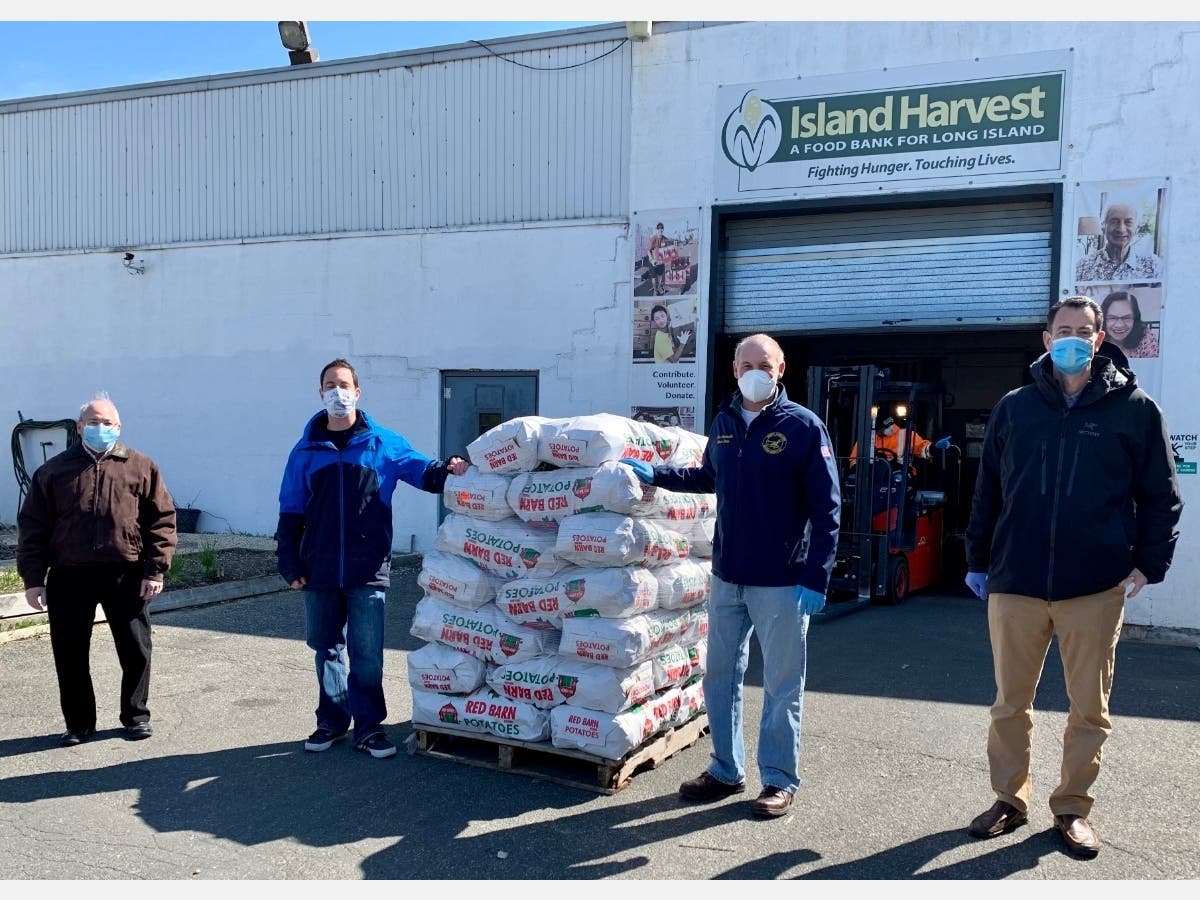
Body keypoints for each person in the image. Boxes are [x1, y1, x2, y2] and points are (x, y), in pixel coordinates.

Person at [963, 296, 1182, 858]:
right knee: (1010, 703)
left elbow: (1162, 496)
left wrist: (1148, 562)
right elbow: (987, 491)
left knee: (1089, 707)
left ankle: (1072, 808)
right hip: (1017, 581)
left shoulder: (1134, 409)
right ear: (1045, 338)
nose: (1074, 339)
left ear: (1101, 338)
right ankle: (1009, 800)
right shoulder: (1015, 409)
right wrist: (977, 560)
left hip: (1095, 585)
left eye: (1085, 331)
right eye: (1064, 330)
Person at [621, 333, 840, 818]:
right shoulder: (723, 423)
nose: (754, 370)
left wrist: (817, 576)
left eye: (764, 363)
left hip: (783, 582)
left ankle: (779, 780)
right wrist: (656, 474)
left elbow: (828, 509)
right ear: (735, 369)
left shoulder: (803, 427)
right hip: (728, 577)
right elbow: (707, 478)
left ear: (781, 369)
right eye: (746, 363)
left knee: (783, 683)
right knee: (720, 675)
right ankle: (725, 768)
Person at [276, 358, 469, 759]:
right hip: (320, 568)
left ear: (358, 393)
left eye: (344, 384)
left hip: (368, 568)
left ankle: (368, 727)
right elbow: (291, 510)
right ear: (320, 393)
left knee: (366, 654)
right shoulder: (305, 450)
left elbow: (425, 473)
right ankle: (331, 721)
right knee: (325, 647)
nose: (337, 391)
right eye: (330, 384)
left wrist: (450, 468)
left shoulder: (382, 443)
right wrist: (290, 562)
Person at [17, 393, 177, 746]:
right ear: (79, 427)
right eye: (93, 422)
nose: (100, 428)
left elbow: (162, 520)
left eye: (107, 423)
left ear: (118, 427)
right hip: (68, 575)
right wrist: (33, 579)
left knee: (135, 649)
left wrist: (155, 570)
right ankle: (78, 723)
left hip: (126, 572)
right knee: (70, 652)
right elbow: (33, 527)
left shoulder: (140, 466)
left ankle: (135, 716)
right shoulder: (54, 471)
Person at [1075, 202, 1163, 282]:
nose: (1121, 229)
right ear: (1103, 227)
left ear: (1137, 229)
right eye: (1114, 222)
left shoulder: (1154, 266)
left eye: (1128, 222)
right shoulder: (1082, 266)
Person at [849, 413, 950, 467]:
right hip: (875, 476)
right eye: (882, 428)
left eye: (889, 426)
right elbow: (854, 461)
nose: (888, 428)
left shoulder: (906, 435)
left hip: (900, 474)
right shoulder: (867, 438)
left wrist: (933, 447)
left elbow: (922, 448)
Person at [1100, 290, 1159, 359]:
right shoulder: (1094, 338)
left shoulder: (1146, 338)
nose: (1119, 325)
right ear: (1103, 319)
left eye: (1126, 318)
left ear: (1135, 318)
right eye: (1112, 318)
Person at [647, 222, 671, 296]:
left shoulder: (665, 239)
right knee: (654, 277)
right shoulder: (653, 238)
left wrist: (668, 257)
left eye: (661, 228)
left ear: (663, 229)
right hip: (653, 260)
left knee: (660, 275)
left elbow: (668, 250)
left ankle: (659, 287)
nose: (660, 230)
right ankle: (655, 290)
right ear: (657, 229)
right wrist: (652, 260)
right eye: (659, 228)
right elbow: (648, 250)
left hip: (661, 261)